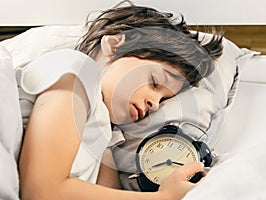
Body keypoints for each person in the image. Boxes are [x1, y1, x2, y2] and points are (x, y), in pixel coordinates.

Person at [17, 2, 223, 200]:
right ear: (114, 45)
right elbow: (40, 192)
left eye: (164, 99)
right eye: (154, 82)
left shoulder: (107, 137)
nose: (156, 104)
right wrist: (162, 197)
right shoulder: (76, 72)